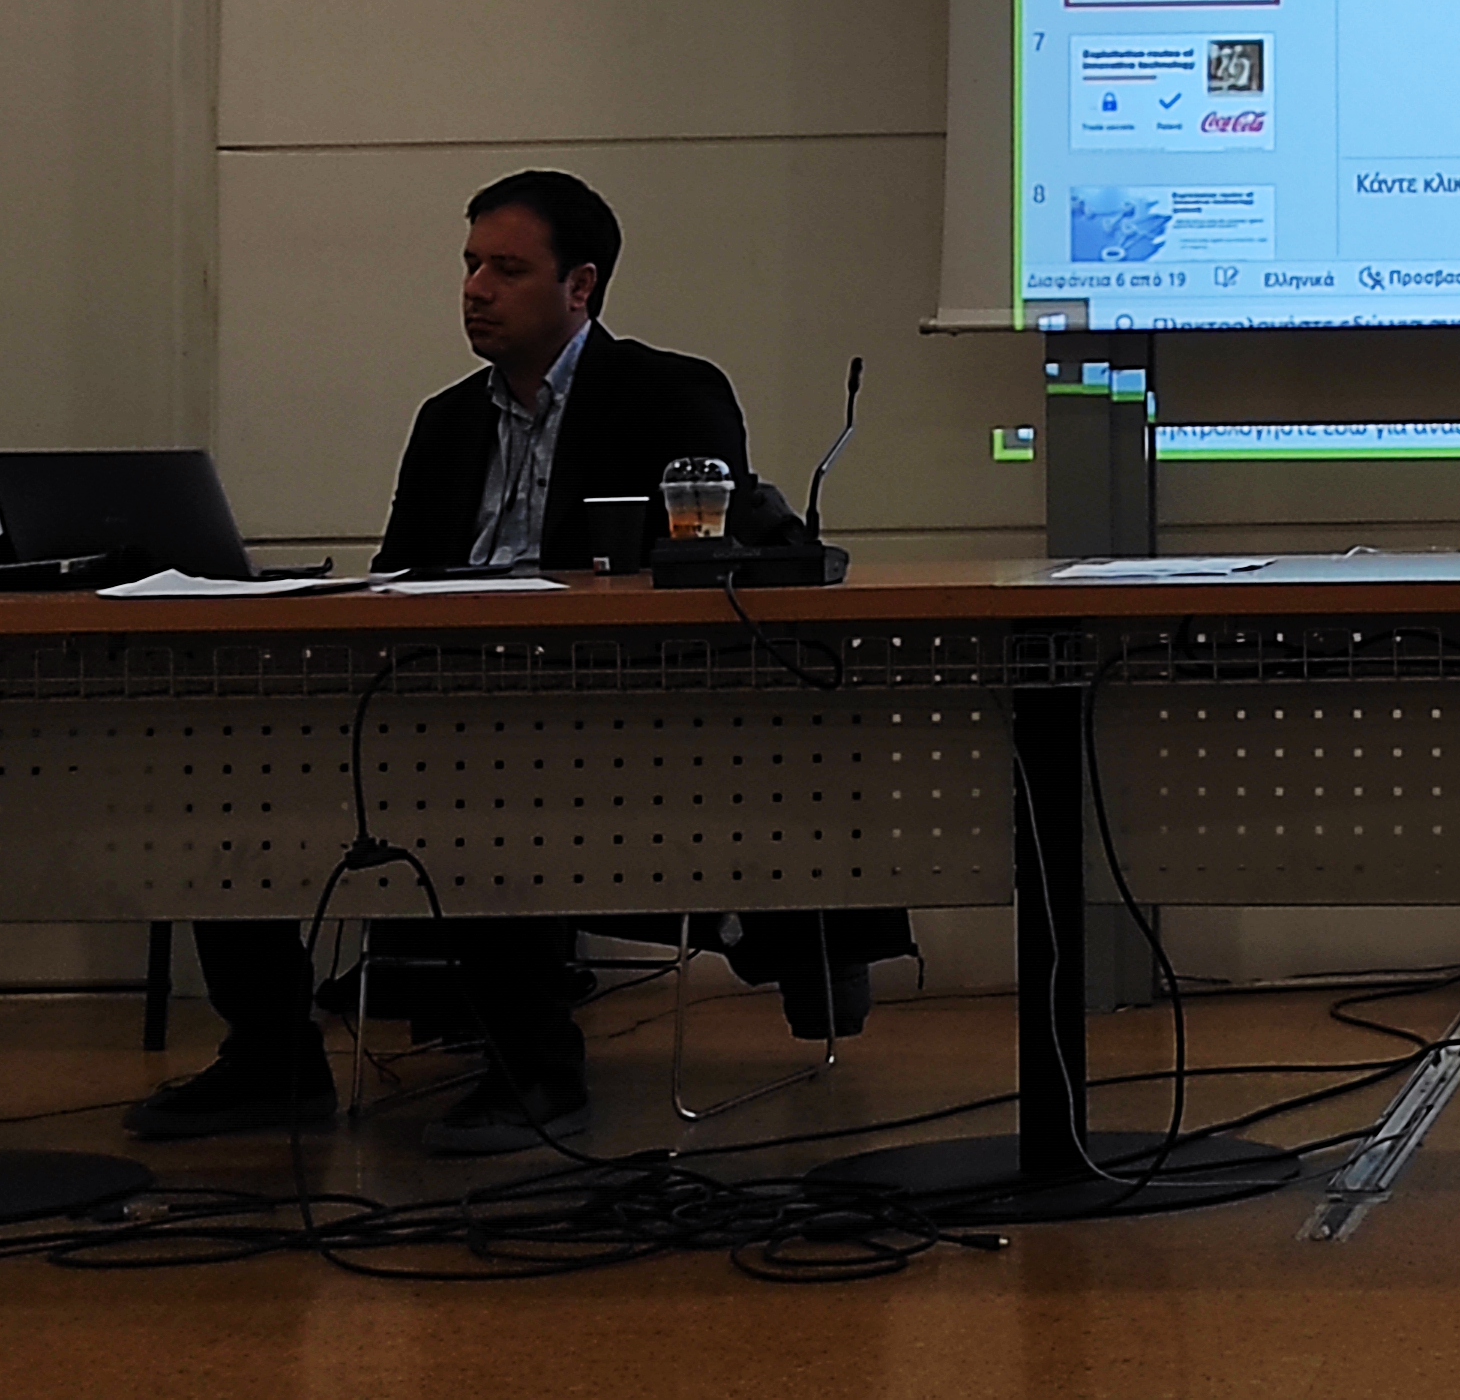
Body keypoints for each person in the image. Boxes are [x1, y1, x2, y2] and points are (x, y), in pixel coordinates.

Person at [130, 170, 910, 1155]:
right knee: (231, 775)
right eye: (469, 266)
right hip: (441, 694)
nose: (475, 290)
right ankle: (271, 1058)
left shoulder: (669, 394)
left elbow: (703, 576)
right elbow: (402, 577)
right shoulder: (447, 421)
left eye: (506, 269)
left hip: (615, 712)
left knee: (488, 772)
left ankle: (536, 1070)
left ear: (580, 287)